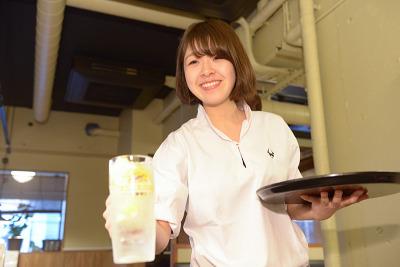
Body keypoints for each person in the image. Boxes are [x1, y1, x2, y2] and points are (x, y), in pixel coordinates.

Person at [104, 19, 367, 267]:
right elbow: (160, 232)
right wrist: (133, 228)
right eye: (193, 61)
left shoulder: (274, 127)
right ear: (184, 75)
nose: (206, 70)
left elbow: (292, 205)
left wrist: (319, 211)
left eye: (217, 57)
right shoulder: (179, 145)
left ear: (236, 63)